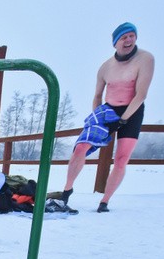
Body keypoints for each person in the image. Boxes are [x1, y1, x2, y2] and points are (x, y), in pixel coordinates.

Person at [61, 22, 155, 212]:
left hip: (133, 110)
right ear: (115, 43)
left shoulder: (145, 59)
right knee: (81, 147)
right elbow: (97, 95)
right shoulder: (106, 67)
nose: (128, 40)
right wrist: (96, 116)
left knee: (121, 158)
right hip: (108, 110)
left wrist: (125, 118)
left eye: (131, 36)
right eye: (124, 37)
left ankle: (104, 201)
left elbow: (141, 94)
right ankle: (67, 189)